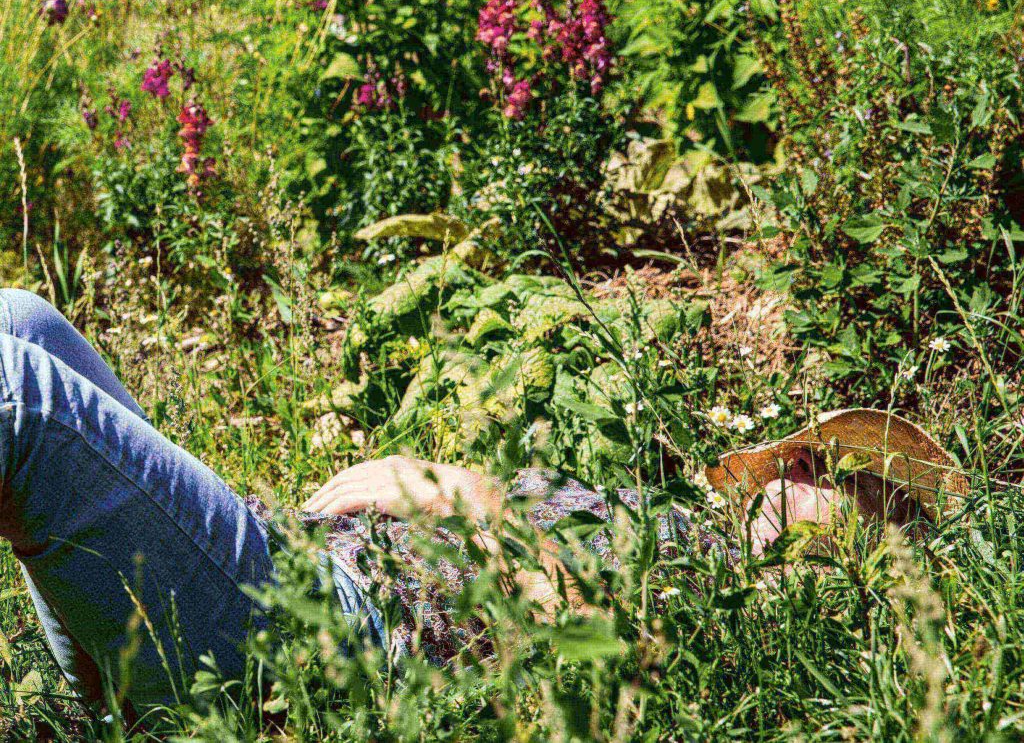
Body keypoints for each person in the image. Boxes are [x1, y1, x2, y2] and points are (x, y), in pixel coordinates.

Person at [0, 290, 969, 711]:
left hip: (324, 640)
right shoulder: (659, 515)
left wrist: (459, 491)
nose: (797, 466)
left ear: (875, 552)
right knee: (20, 318)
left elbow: (594, 662)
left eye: (838, 478)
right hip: (280, 556)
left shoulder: (744, 622)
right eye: (801, 455)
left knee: (17, 397)